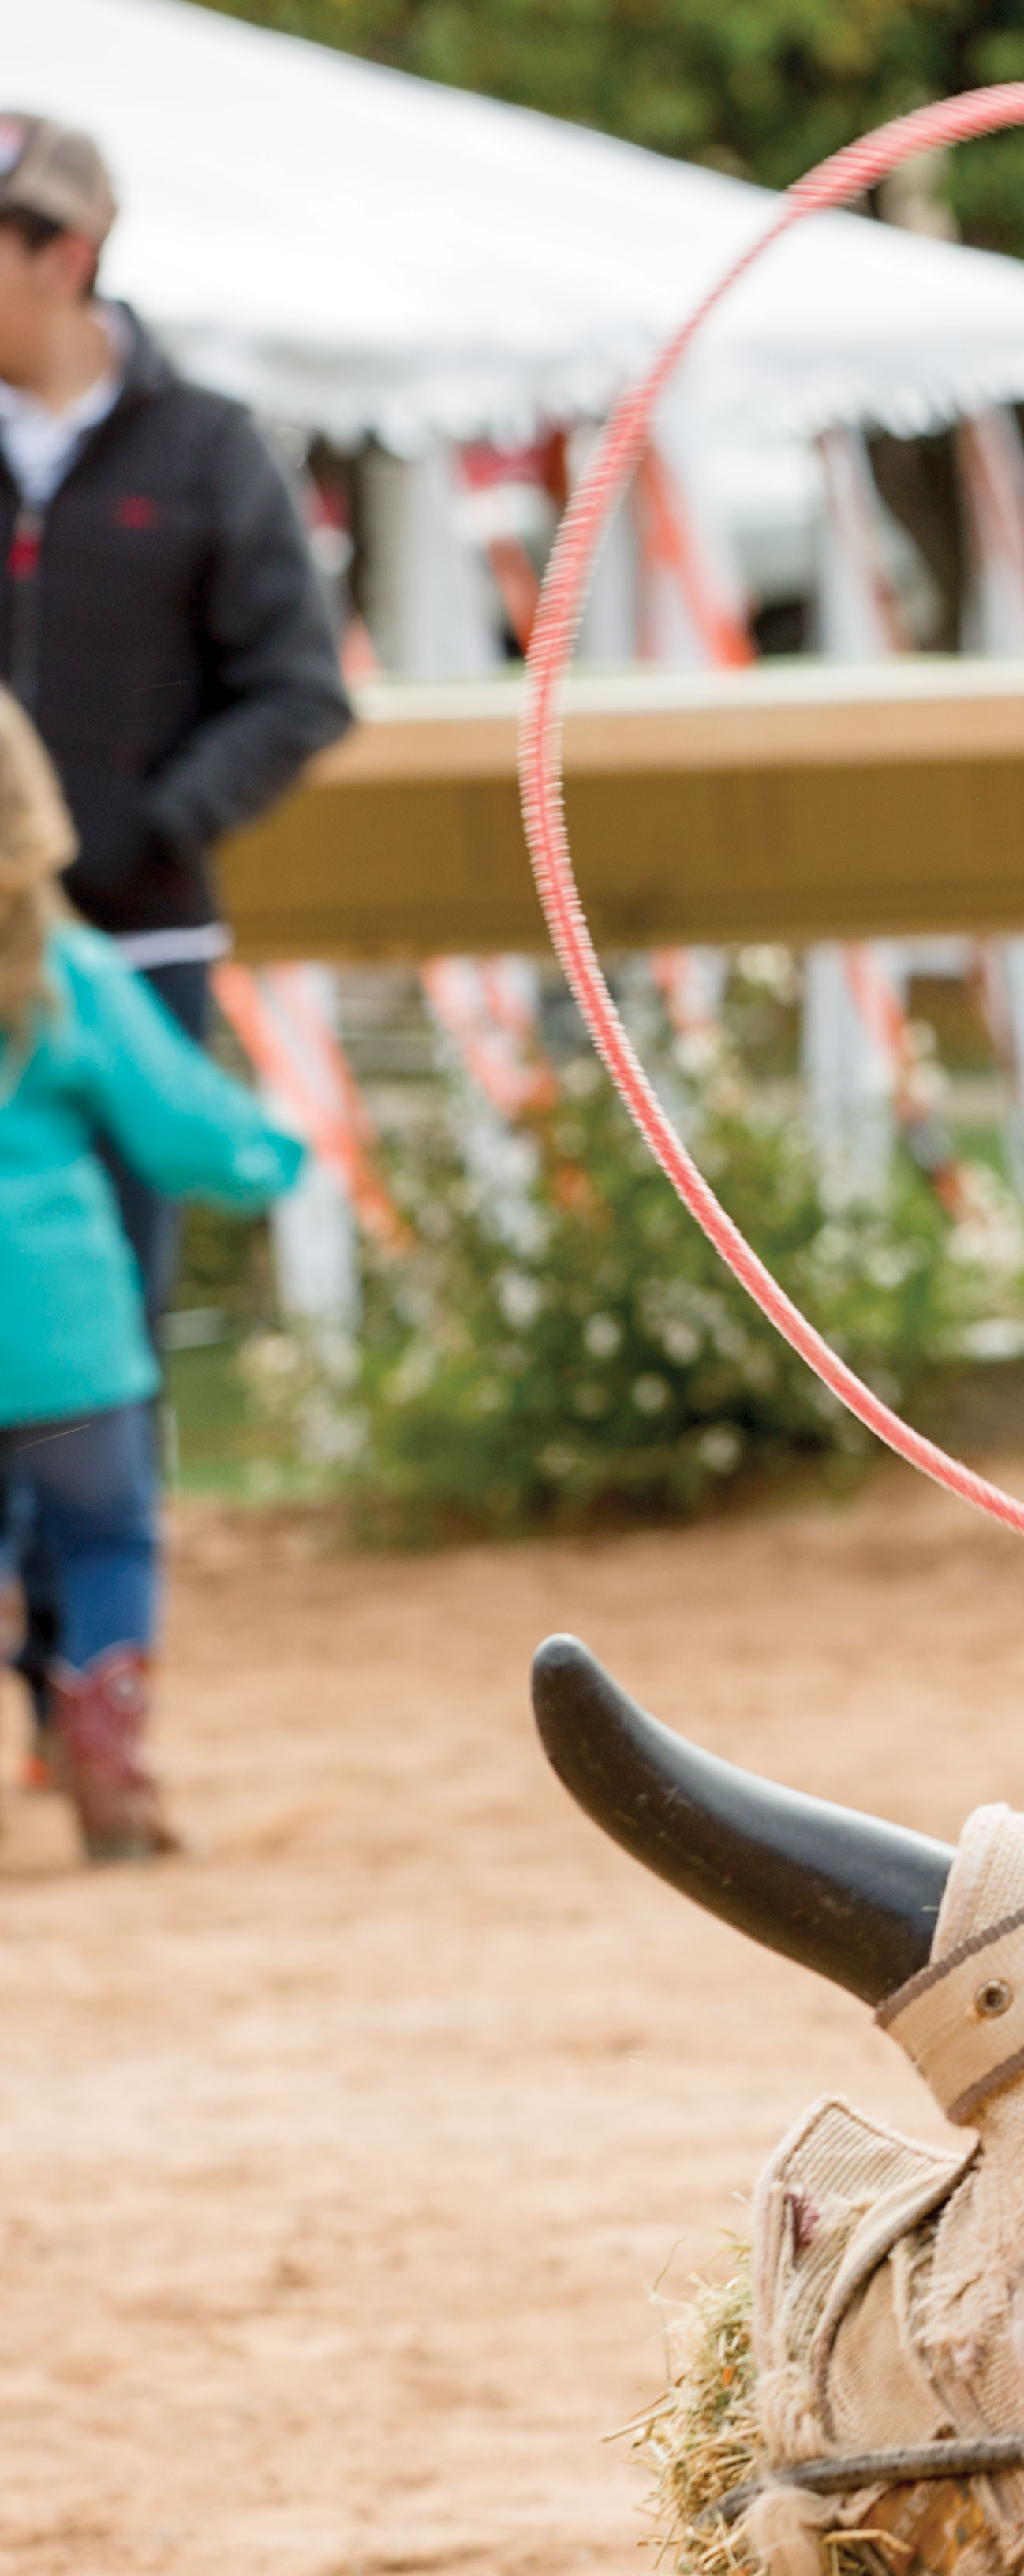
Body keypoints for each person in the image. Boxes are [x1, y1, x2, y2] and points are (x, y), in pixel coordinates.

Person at [0, 115, 351, 1769]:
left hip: (129, 952)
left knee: (95, 1327)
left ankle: (89, 1681)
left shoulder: (207, 449)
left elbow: (301, 688)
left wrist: (143, 824)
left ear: (62, 253)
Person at [0, 691, 303, 1862]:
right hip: (70, 1340)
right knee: (109, 1538)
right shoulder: (63, 975)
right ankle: (108, 1761)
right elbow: (185, 1130)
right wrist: (276, 1154)